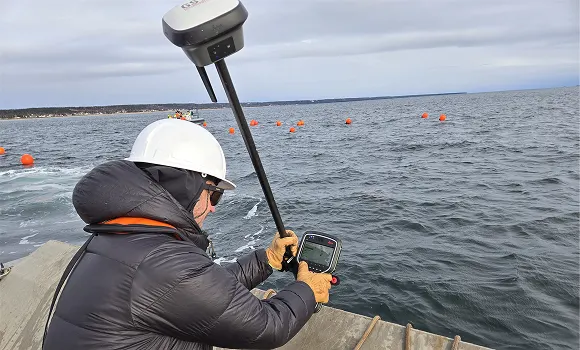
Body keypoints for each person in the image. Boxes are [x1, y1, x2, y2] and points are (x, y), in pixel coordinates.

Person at [43, 119, 332, 350]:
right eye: (214, 195)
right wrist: (307, 289)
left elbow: (201, 292)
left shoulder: (121, 237)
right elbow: (266, 327)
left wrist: (267, 260)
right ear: (187, 188)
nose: (213, 208)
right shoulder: (161, 259)